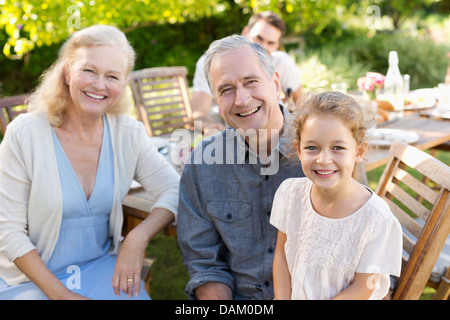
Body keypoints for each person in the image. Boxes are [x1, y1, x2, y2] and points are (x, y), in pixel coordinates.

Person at [177, 35, 368, 300]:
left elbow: (365, 254)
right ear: (218, 103)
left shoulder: (330, 157)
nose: (242, 99)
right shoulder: (202, 166)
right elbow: (205, 264)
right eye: (226, 90)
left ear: (275, 84)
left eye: (251, 81)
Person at [0, 25, 179, 300]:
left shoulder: (128, 133)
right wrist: (61, 295)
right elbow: (8, 231)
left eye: (112, 76)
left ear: (123, 83)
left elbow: (176, 189)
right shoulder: (24, 134)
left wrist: (137, 238)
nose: (99, 85)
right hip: (29, 280)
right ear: (67, 72)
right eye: (89, 71)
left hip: (99, 268)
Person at [271, 91, 402, 300]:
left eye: (338, 148)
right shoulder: (290, 194)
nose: (323, 159)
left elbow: (363, 289)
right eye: (312, 147)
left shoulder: (376, 220)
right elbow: (281, 257)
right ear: (298, 150)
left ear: (359, 152)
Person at [191, 11, 302, 136]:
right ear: (245, 33)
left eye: (271, 43)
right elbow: (198, 113)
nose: (263, 46)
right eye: (258, 38)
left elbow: (301, 105)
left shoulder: (283, 63)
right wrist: (209, 127)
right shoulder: (213, 63)